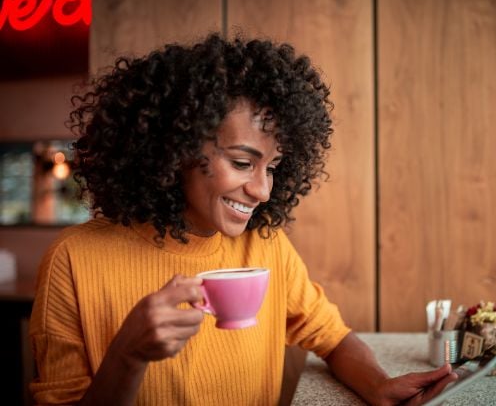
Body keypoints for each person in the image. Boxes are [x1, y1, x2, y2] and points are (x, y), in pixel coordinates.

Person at [29, 33, 457, 405]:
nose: (262, 190)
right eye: (241, 162)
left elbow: (334, 337)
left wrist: (379, 386)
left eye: (271, 167)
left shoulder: (266, 247)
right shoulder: (73, 261)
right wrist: (128, 354)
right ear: (174, 150)